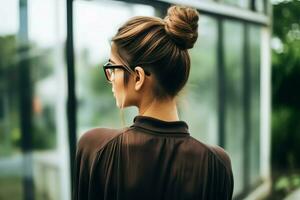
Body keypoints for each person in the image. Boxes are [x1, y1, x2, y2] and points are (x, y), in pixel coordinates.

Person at [73, 5, 234, 200]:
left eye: (113, 67)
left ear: (139, 77)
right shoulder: (217, 164)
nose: (111, 77)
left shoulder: (94, 147)